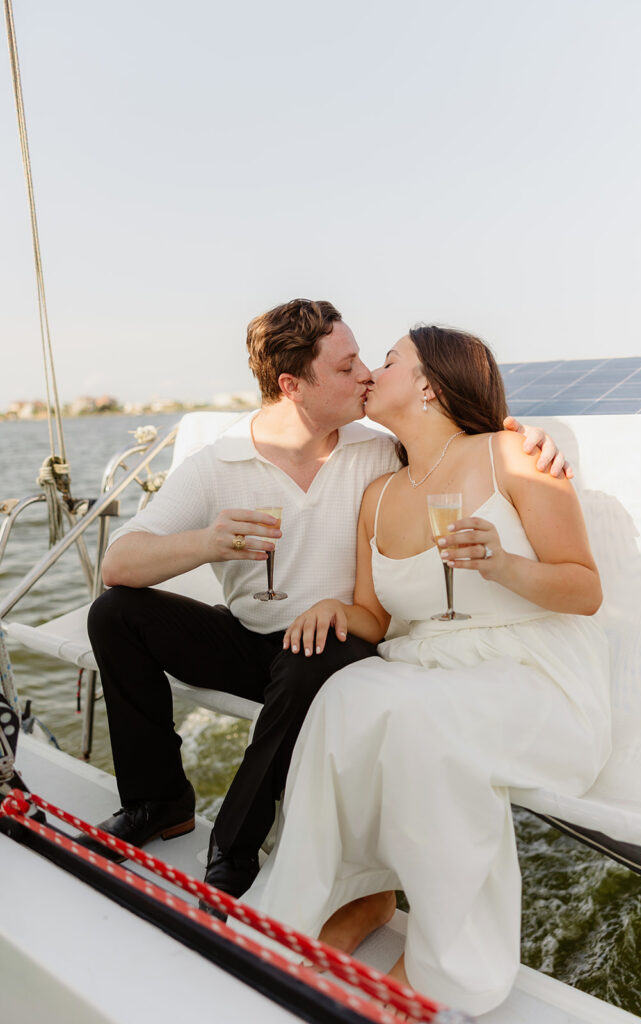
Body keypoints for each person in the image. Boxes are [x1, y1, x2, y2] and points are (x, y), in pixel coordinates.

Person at [82, 300, 568, 907]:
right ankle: (159, 801)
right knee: (114, 614)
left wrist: (520, 432)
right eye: (346, 366)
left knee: (312, 659)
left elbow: (451, 432)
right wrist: (207, 542)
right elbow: (118, 564)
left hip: (341, 644)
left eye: (367, 359)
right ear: (293, 385)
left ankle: (232, 854)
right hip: (252, 636)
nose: (365, 373)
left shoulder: (377, 448)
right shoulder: (218, 466)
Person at [244, 326, 611, 1016]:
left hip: (532, 673)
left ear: (428, 384)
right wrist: (331, 607)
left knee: (420, 721)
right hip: (432, 664)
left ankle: (446, 963)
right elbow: (373, 620)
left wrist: (500, 562)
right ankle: (357, 900)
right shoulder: (379, 493)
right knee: (344, 692)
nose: (370, 372)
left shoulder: (513, 455)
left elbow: (584, 590)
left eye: (386, 361)